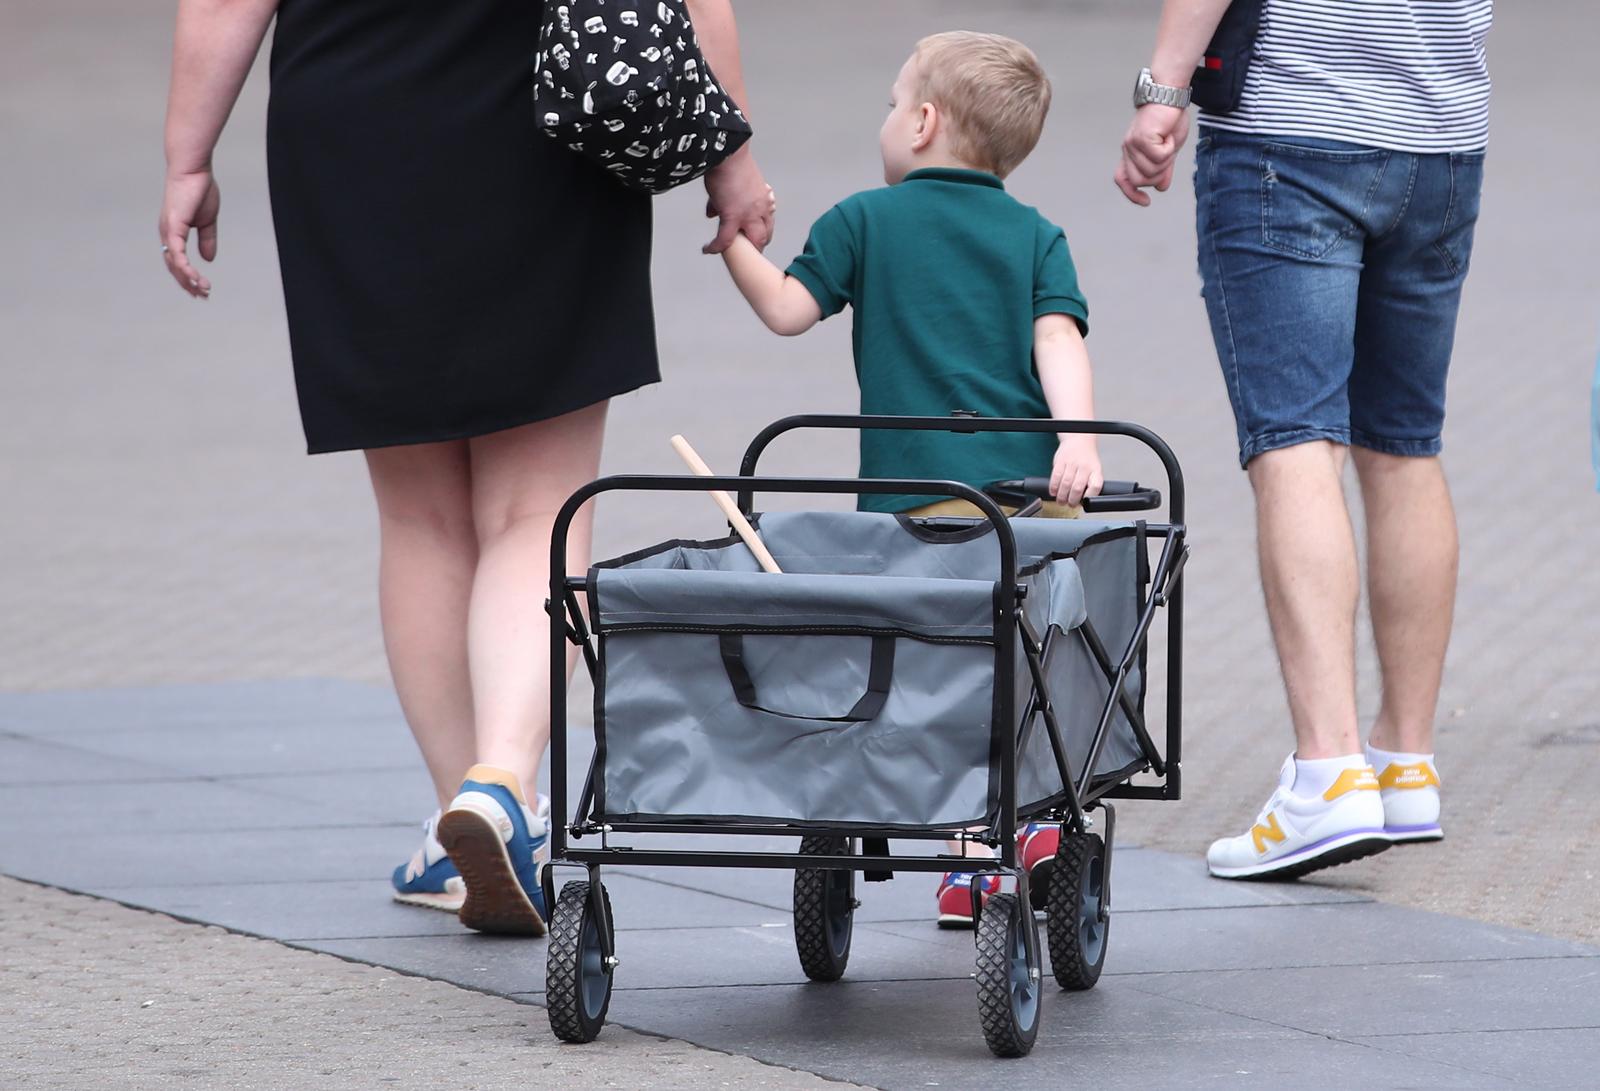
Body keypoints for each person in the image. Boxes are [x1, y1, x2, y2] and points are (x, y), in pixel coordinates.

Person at [158, 0, 773, 934]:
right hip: (549, 120)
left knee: (418, 519)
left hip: (354, 129)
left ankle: (460, 827)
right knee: (538, 512)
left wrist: (188, 157)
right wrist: (728, 153)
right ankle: (502, 783)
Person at [719, 31, 1101, 926]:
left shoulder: (862, 220)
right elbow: (1059, 341)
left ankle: (969, 848)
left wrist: (735, 235)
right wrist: (1077, 441)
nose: (886, 119)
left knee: (935, 670)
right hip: (1025, 503)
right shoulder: (1038, 235)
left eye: (892, 103)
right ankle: (1034, 820)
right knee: (1019, 663)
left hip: (914, 511)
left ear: (924, 122)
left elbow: (784, 310)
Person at [1116, 0, 1492, 879]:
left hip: (1295, 127)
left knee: (1294, 440)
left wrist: (1163, 86)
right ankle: (1405, 763)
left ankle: (1328, 773)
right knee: (1404, 444)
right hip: (1444, 133)